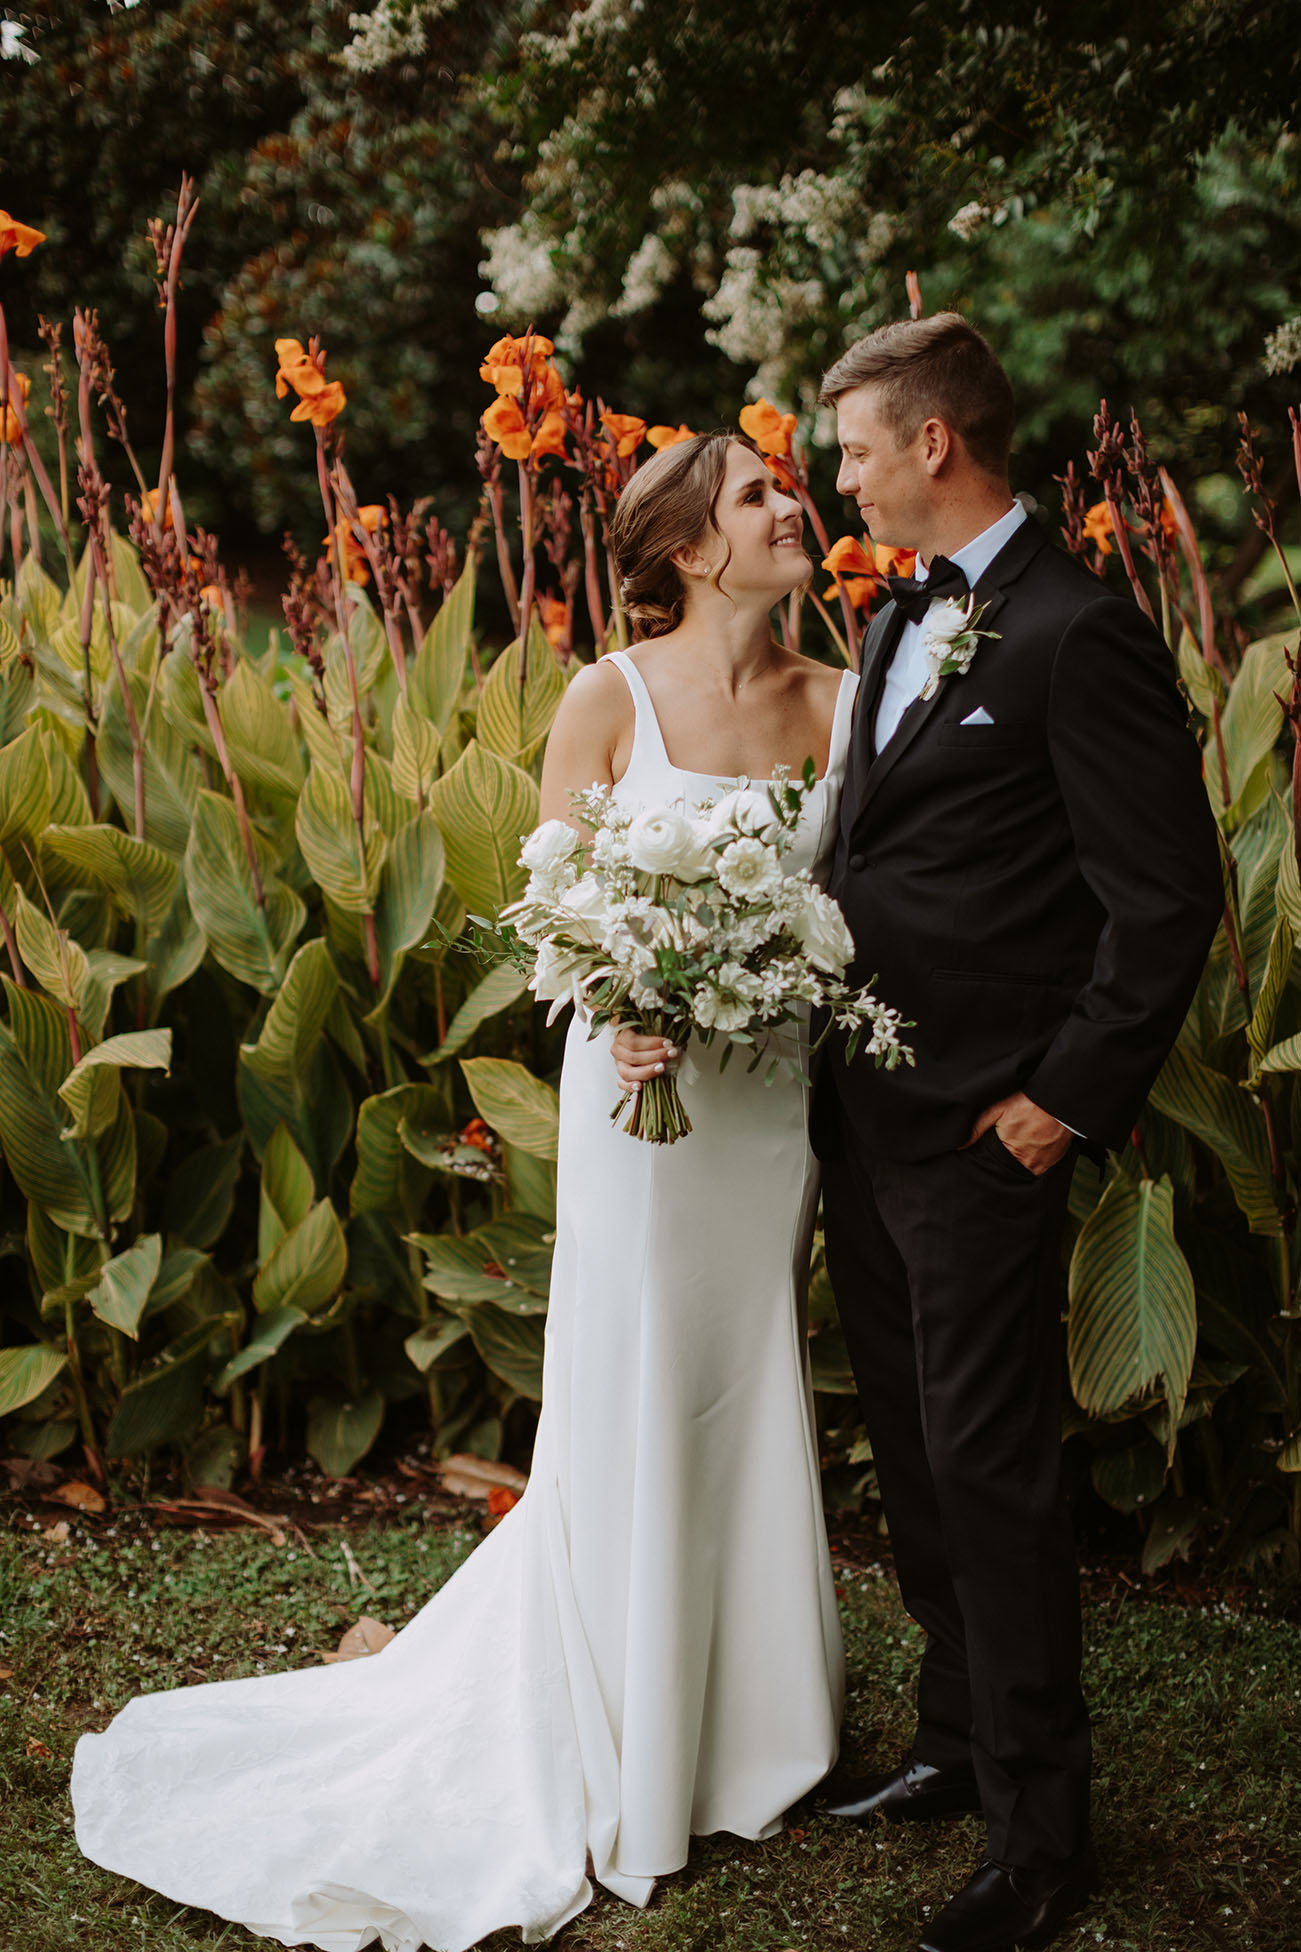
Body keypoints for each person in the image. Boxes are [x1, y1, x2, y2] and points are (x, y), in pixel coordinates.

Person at [71, 433, 856, 1950]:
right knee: (638, 1382)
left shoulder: (836, 705)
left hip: (767, 1107)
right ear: (692, 547)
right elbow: (555, 909)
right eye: (759, 493)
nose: (791, 505)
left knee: (746, 1371)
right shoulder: (605, 695)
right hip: (643, 1099)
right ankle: (617, 1725)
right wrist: (616, 1004)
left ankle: (753, 1726)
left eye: (786, 486)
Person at [807, 314, 1223, 1952]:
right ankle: (954, 1740)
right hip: (867, 1111)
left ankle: (1039, 1837)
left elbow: (1163, 896)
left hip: (989, 1131)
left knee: (990, 1473)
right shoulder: (893, 614)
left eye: (850, 445)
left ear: (932, 445)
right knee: (914, 1458)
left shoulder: (1073, 631)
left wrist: (1057, 1106)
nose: (831, 471)